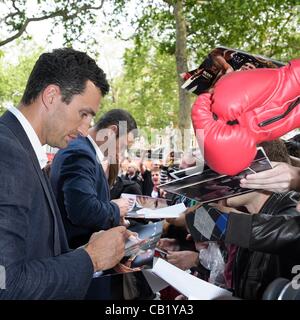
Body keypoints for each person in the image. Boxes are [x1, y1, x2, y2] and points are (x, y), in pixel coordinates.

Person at [0, 48, 128, 299]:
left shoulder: (20, 148)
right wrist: (90, 258)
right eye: (83, 114)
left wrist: (91, 249)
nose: (83, 130)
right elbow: (6, 282)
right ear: (51, 95)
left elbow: (36, 252)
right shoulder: (8, 153)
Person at [50, 109, 137, 248]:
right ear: (112, 131)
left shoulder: (84, 150)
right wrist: (116, 208)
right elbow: (81, 211)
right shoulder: (81, 153)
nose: (123, 151)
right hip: (72, 250)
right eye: (124, 144)